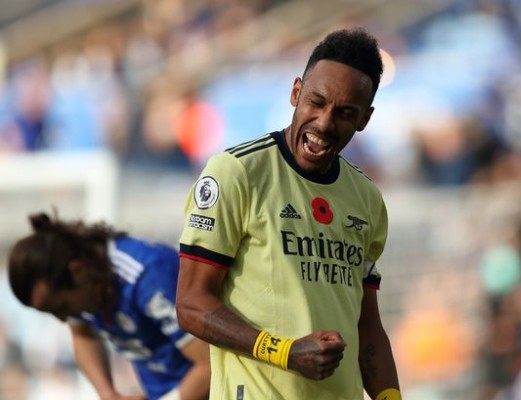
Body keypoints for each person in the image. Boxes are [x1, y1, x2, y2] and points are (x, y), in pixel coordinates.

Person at [176, 27, 401, 400]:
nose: (325, 124)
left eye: (345, 113)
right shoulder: (237, 173)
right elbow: (190, 304)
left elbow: (368, 326)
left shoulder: (366, 199)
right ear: (296, 91)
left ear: (365, 119)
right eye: (317, 102)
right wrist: (283, 352)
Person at [7, 212, 211, 400]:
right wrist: (108, 393)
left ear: (77, 270)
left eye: (60, 307)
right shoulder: (83, 288)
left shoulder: (146, 278)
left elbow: (210, 366)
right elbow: (82, 335)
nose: (62, 318)